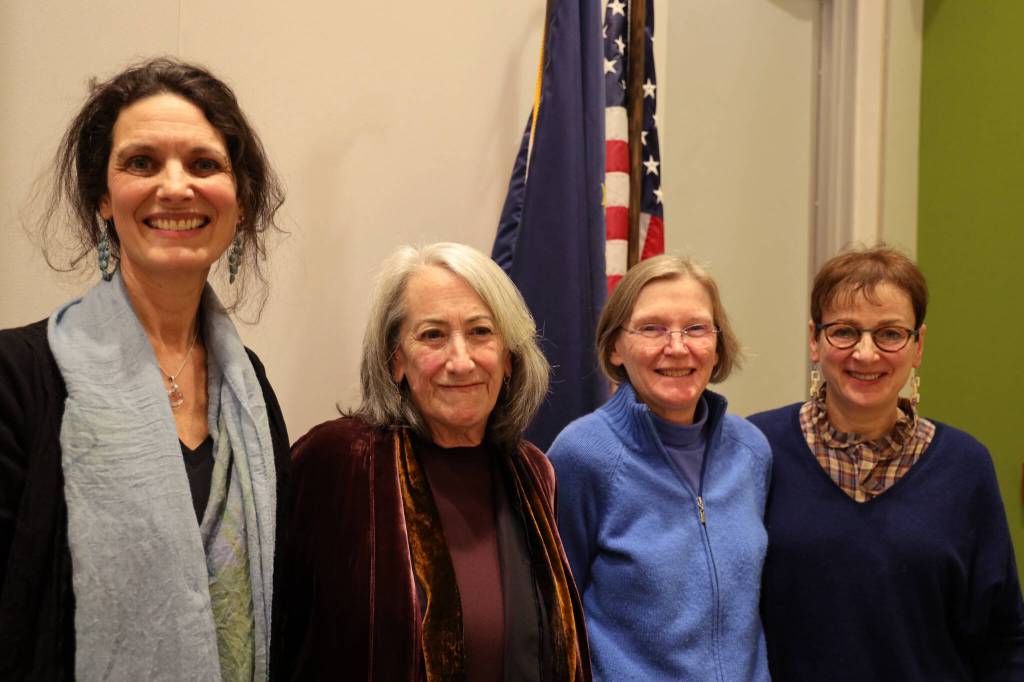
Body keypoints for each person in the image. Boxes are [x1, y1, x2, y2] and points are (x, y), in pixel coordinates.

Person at [0, 58, 289, 680]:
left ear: (237, 201)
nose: (176, 186)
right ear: (103, 198)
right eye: (142, 162)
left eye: (204, 164)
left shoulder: (251, 390)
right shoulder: (17, 378)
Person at [278, 242, 590, 681]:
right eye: (433, 335)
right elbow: (280, 630)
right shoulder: (336, 462)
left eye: (481, 332)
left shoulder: (533, 472)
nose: (460, 361)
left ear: (508, 360)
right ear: (396, 361)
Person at [749, 246, 1024, 679]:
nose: (866, 354)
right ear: (814, 341)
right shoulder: (755, 449)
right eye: (844, 331)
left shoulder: (965, 466)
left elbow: (1003, 639)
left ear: (918, 346)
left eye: (890, 334)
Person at [548, 254, 771, 680]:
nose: (677, 346)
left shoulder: (751, 452)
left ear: (718, 344)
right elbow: (554, 619)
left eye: (696, 328)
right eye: (652, 328)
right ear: (615, 347)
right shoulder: (583, 454)